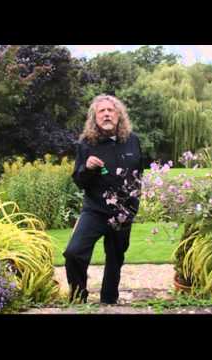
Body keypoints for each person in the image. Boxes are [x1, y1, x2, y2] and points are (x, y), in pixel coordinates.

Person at [63, 94, 143, 305]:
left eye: (111, 110)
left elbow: (138, 174)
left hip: (123, 212)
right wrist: (87, 168)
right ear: (95, 117)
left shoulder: (133, 141)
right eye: (102, 111)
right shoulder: (86, 144)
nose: (107, 114)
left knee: (115, 258)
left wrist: (133, 206)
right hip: (95, 210)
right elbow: (79, 181)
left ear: (119, 115)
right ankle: (79, 298)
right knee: (74, 253)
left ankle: (109, 301)